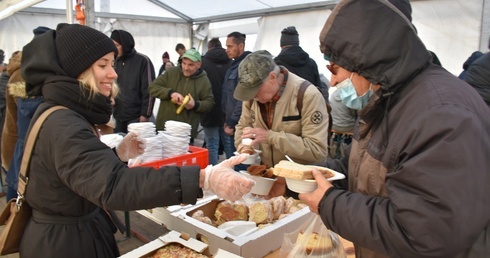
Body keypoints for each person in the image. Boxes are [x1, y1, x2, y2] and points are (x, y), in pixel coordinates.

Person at [18, 23, 254, 258]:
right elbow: (114, 186)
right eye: (103, 65)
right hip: (64, 245)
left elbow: (78, 173)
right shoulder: (64, 123)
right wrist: (204, 178)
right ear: (76, 71)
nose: (113, 73)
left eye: (112, 63)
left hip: (71, 234)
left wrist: (116, 155)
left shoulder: (63, 113)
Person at [297, 1, 490, 257]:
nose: (331, 80)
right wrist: (299, 181)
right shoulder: (386, 99)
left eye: (335, 67)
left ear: (365, 61)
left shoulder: (440, 114)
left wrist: (330, 204)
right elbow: (355, 170)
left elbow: (427, 233)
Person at [233, 50, 329, 198]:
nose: (252, 96)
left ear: (272, 77)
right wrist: (243, 146)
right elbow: (242, 126)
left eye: (255, 91)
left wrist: (270, 137)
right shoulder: (252, 97)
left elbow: (317, 150)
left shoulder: (308, 95)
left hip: (301, 186)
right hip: (268, 181)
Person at [149, 49, 214, 142]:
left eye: (190, 65)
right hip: (164, 128)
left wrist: (195, 105)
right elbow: (152, 87)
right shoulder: (171, 72)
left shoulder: (204, 80)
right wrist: (170, 93)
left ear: (199, 65)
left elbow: (210, 103)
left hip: (185, 133)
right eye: (184, 63)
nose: (186, 68)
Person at [110, 29, 155, 133]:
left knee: (135, 147)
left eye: (117, 45)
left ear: (125, 44)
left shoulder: (142, 61)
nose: (114, 49)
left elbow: (149, 90)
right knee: (119, 145)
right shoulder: (114, 62)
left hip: (136, 117)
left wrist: (145, 114)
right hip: (118, 115)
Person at [274, 26, 329, 103]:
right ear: (297, 43)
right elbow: (319, 90)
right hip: (310, 107)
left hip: (286, 110)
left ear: (281, 46)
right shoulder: (311, 63)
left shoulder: (275, 65)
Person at [201, 38, 230, 165]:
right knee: (228, 144)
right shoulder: (230, 62)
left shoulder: (203, 63)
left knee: (212, 144)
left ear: (209, 47)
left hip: (209, 109)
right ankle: (231, 171)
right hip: (227, 110)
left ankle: (213, 173)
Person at [222, 32, 251, 159]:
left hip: (238, 125)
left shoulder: (245, 66)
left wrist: (232, 122)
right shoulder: (233, 65)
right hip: (229, 121)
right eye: (226, 46)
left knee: (238, 163)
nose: (226, 50)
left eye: (230, 46)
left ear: (240, 46)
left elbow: (243, 99)